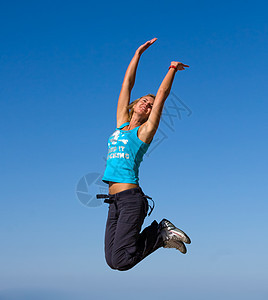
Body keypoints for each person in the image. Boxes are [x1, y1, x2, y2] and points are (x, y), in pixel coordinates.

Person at [99, 38, 191, 271]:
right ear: (134, 104)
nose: (146, 105)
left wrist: (172, 69)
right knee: (113, 261)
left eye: (150, 105)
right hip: (114, 202)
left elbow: (162, 95)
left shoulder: (145, 132)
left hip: (131, 200)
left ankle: (161, 234)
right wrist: (137, 54)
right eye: (143, 101)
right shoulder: (121, 125)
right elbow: (126, 85)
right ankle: (160, 234)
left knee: (121, 260)